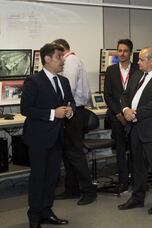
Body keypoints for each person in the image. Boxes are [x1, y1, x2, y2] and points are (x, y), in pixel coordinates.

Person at [21, 43, 75, 228]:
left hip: (57, 138)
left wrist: (69, 111)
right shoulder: (33, 81)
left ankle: (46, 211)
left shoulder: (64, 81)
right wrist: (53, 113)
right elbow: (26, 109)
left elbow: (70, 104)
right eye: (60, 57)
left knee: (52, 178)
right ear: (47, 59)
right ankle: (34, 217)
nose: (63, 61)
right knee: (38, 178)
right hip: (38, 138)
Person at [118, 47, 152, 214]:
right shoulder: (136, 75)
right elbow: (125, 95)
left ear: (151, 61)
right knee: (138, 166)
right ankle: (137, 198)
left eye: (141, 59)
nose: (138, 62)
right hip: (135, 129)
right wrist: (126, 109)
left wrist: (135, 114)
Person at [52, 38, 96, 205]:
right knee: (68, 153)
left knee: (74, 154)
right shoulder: (73, 60)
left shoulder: (70, 61)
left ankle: (88, 191)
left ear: (61, 50)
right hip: (73, 111)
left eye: (56, 53)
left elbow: (67, 88)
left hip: (74, 112)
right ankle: (72, 189)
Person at [103, 39, 139, 192]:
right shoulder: (111, 70)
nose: (122, 54)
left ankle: (136, 180)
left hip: (134, 115)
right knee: (120, 150)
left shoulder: (138, 69)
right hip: (117, 116)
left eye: (125, 51)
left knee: (135, 150)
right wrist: (119, 113)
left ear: (130, 52)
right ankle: (123, 181)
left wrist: (129, 113)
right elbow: (108, 95)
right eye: (119, 50)